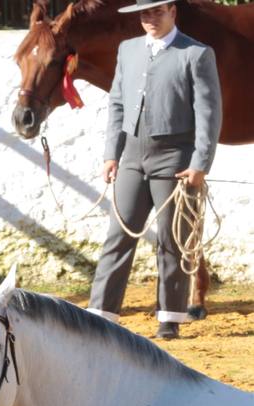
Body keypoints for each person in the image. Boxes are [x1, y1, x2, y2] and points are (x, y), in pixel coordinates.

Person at [87, 0, 221, 340]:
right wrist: (110, 154)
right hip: (132, 156)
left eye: (157, 12)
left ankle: (170, 317)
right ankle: (101, 313)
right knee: (118, 235)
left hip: (175, 158)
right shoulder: (128, 49)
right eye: (145, 13)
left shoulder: (196, 53)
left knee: (172, 238)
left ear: (172, 12)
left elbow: (208, 114)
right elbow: (117, 103)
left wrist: (199, 164)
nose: (149, 19)